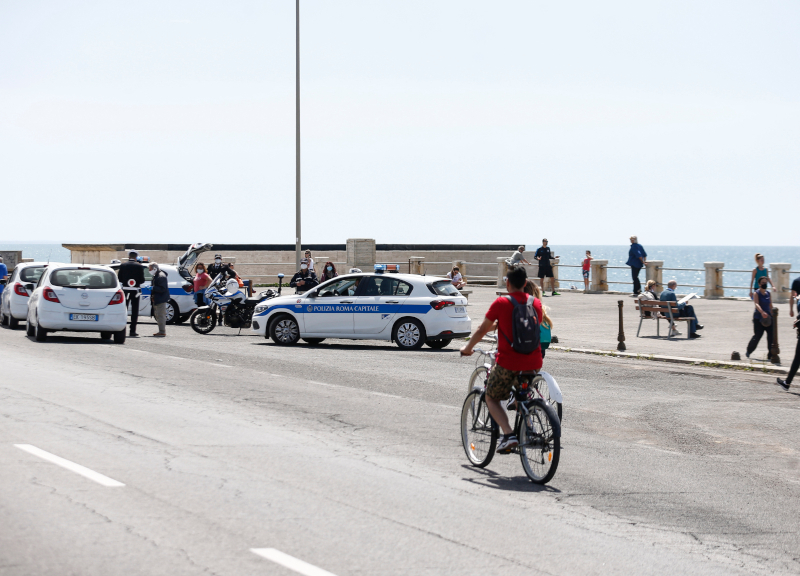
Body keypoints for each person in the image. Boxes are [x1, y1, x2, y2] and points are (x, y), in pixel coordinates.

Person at [460, 266, 544, 453]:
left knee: (491, 397)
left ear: (507, 283)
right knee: (521, 391)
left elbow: (482, 329)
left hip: (509, 363)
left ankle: (508, 434)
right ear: (525, 283)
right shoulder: (535, 304)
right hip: (534, 363)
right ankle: (525, 414)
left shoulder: (501, 302)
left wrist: (468, 348)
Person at [777, 276, 800, 390]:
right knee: (798, 357)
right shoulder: (797, 281)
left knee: (798, 357)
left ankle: (787, 383)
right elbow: (792, 296)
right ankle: (787, 383)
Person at [117, 250, 146, 337]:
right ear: (136, 257)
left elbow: (120, 278)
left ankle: (122, 329)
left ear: (129, 257)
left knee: (123, 310)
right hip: (135, 291)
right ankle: (132, 331)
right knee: (134, 311)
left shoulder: (123, 265)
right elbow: (142, 280)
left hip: (125, 290)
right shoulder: (139, 266)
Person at [746, 276, 774, 361]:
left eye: (765, 282)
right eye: (762, 282)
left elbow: (770, 305)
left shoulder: (768, 294)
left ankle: (771, 355)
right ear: (759, 284)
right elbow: (757, 304)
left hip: (768, 318)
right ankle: (749, 350)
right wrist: (762, 312)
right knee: (758, 335)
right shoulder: (756, 293)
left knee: (771, 337)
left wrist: (773, 315)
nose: (764, 284)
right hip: (758, 318)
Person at [149, 262, 169, 337]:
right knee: (158, 315)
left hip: (161, 298)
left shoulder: (161, 276)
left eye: (150, 269)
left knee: (161, 315)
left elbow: (162, 289)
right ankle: (161, 330)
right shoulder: (157, 275)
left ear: (154, 268)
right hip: (158, 298)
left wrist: (153, 288)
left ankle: (162, 331)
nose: (149, 270)